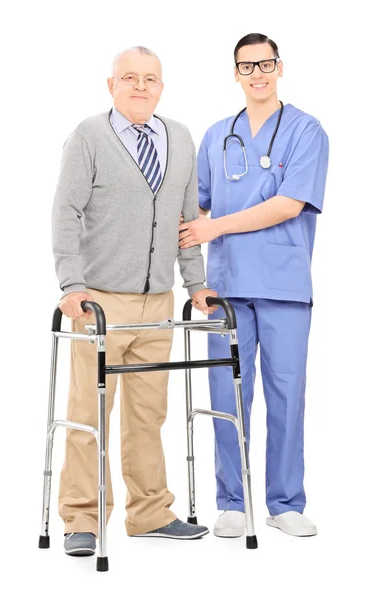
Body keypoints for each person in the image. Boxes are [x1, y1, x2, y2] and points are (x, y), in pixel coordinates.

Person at [52, 45, 217, 556]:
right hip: (98, 302)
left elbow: (188, 222)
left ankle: (149, 513)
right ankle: (81, 518)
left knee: (149, 414)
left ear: (162, 87)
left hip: (158, 303)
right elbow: (65, 211)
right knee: (89, 410)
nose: (140, 86)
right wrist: (70, 284)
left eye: (150, 79)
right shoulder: (89, 136)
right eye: (130, 77)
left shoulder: (181, 138)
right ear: (111, 85)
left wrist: (196, 286)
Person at [179, 33, 329, 538]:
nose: (257, 73)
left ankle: (284, 502)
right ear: (235, 74)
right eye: (247, 66)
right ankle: (231, 500)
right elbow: (198, 206)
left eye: (265, 64)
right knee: (227, 392)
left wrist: (216, 227)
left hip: (285, 283)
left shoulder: (307, 132)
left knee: (286, 392)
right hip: (228, 285)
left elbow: (289, 204)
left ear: (280, 68)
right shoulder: (219, 135)